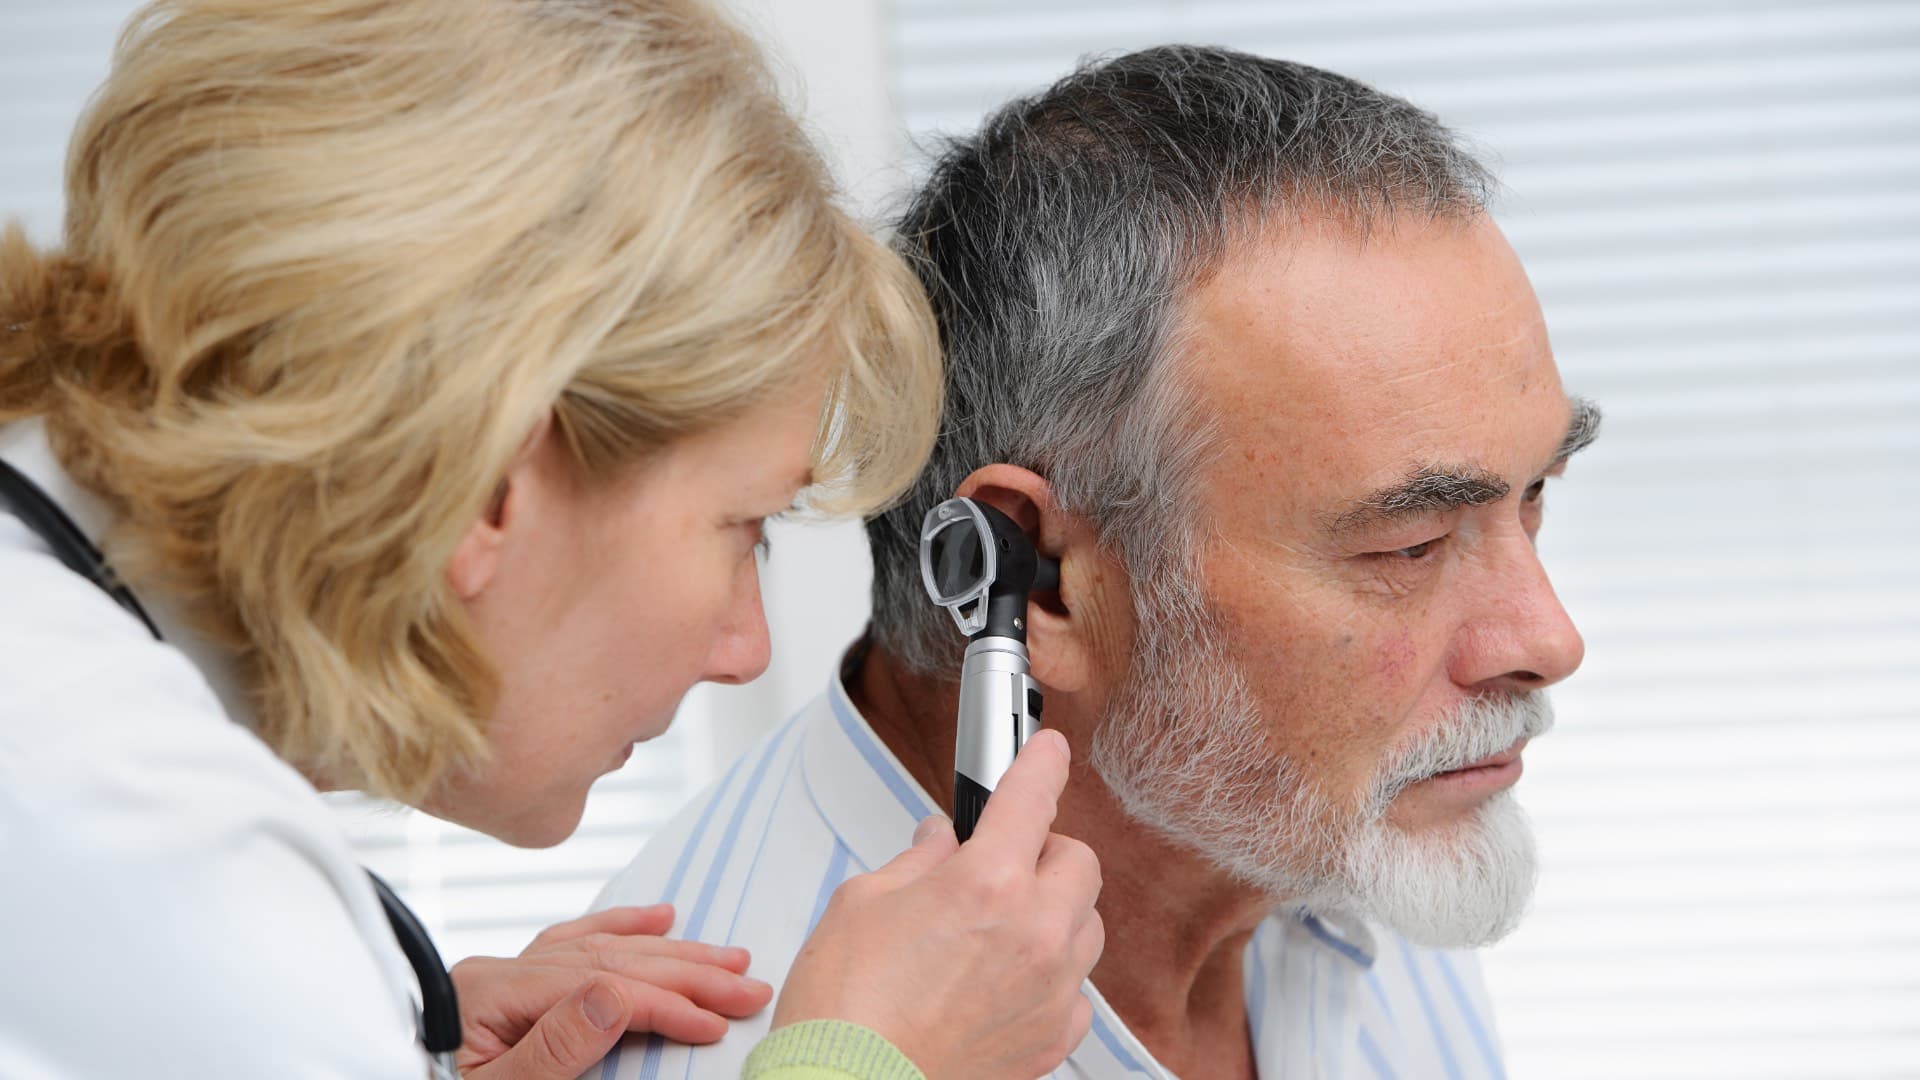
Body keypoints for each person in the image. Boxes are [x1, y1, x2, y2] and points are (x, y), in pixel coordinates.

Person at [0, 2, 1103, 1078]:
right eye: (744, 528)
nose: (745, 647)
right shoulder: (168, 878)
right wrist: (869, 1062)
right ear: (478, 489)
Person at [588, 45, 1601, 1080]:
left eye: (1535, 498)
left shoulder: (1340, 828)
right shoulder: (722, 1048)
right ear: (1042, 583)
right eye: (1412, 547)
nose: (1547, 638)